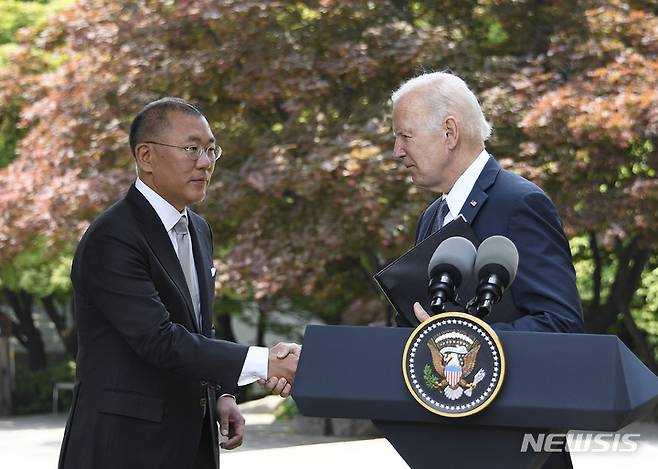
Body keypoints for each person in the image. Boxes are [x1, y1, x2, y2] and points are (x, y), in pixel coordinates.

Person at [58, 97, 300, 469]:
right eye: (191, 149)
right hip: (125, 448)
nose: (205, 163)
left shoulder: (199, 229)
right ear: (146, 156)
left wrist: (223, 393)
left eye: (210, 149)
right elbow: (158, 339)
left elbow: (198, 326)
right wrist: (265, 362)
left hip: (193, 443)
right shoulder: (113, 237)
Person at [391, 72, 584, 334]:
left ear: (450, 133)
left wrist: (469, 336)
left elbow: (562, 324)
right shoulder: (432, 215)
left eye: (405, 135)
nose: (397, 151)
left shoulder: (520, 204)